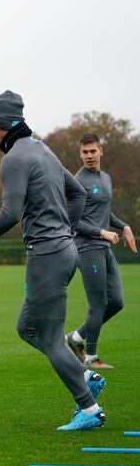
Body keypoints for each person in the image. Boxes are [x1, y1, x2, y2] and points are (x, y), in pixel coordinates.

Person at [0, 90, 106, 431]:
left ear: (4, 124)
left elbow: (10, 213)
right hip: (63, 252)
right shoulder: (43, 149)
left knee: (49, 338)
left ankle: (89, 407)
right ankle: (85, 374)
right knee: (26, 328)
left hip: (47, 255)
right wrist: (66, 227)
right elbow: (76, 194)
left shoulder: (15, 158)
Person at [65, 133, 137, 369]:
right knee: (98, 305)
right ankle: (91, 358)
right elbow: (73, 220)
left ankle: (75, 338)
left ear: (101, 151)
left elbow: (104, 211)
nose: (88, 156)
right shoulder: (78, 182)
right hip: (87, 247)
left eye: (92, 151)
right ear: (80, 154)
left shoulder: (105, 178)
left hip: (103, 247)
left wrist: (123, 226)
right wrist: (101, 232)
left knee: (116, 301)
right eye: (84, 152)